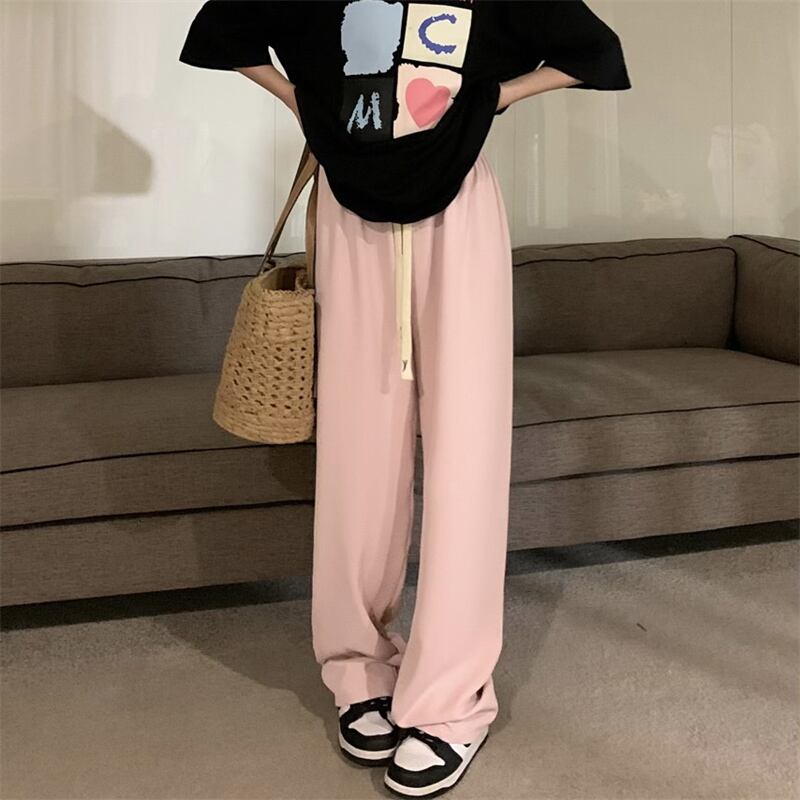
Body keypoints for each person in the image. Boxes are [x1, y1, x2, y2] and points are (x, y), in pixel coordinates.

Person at [179, 2, 631, 796]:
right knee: (357, 455)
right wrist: (302, 101)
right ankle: (357, 669)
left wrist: (494, 97)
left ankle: (450, 701)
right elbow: (223, 32)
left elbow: (593, 51)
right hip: (348, 212)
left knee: (467, 456)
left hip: (458, 211)